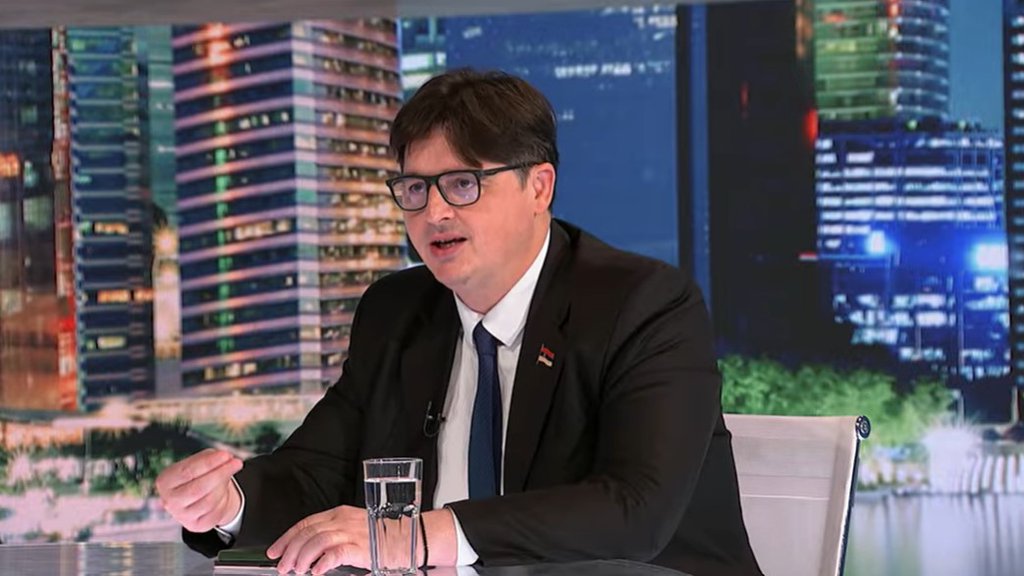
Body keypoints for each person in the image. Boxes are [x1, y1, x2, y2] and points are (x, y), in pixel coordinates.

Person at [155, 68, 763, 576]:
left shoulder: (642, 304)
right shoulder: (397, 312)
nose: (435, 212)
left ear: (539, 187)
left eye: (463, 184)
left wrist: (417, 537)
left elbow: (634, 511)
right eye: (414, 189)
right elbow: (318, 474)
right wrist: (228, 503)